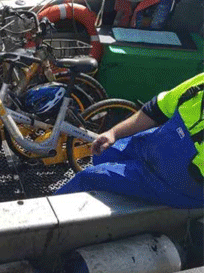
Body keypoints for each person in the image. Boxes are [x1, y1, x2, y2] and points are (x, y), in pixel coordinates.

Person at [56, 72, 204, 208]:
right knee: (105, 153)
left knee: (88, 178)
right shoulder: (200, 83)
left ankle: (43, 226)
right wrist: (113, 133)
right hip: (155, 149)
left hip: (173, 183)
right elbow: (155, 110)